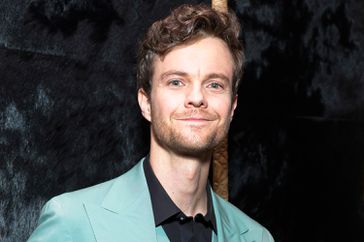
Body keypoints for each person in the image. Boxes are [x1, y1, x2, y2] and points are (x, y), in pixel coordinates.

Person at [27, 4, 274, 242]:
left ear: (232, 107)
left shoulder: (257, 237)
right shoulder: (74, 221)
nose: (197, 98)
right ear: (146, 103)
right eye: (176, 82)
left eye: (215, 85)